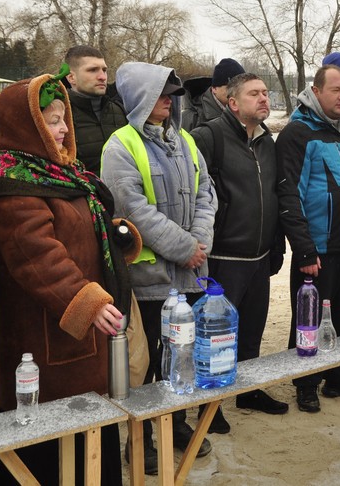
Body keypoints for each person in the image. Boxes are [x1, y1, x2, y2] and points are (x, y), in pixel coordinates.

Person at [0, 72, 144, 485]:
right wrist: (86, 300)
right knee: (46, 443)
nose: (64, 129)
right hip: (43, 343)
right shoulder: (13, 186)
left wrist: (114, 234)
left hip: (83, 339)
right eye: (51, 121)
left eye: (63, 118)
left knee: (90, 430)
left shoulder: (61, 174)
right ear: (27, 127)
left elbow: (77, 232)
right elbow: (39, 259)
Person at [101, 62, 217, 474]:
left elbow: (206, 191)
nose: (170, 101)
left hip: (188, 274)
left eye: (172, 95)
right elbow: (132, 208)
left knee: (180, 353)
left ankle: (176, 422)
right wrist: (183, 246)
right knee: (145, 361)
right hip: (148, 280)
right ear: (140, 98)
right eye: (162, 94)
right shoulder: (120, 146)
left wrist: (198, 241)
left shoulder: (184, 139)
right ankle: (142, 438)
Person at [276, 64, 340, 413]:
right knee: (309, 316)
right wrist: (303, 247)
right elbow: (289, 193)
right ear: (316, 91)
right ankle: (305, 382)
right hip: (316, 247)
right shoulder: (299, 133)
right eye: (334, 90)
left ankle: (339, 376)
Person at [191, 72, 288, 417]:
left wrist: (276, 244)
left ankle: (248, 391)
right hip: (223, 257)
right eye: (254, 94)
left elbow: (274, 194)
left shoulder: (266, 141)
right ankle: (209, 407)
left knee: (251, 333)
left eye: (265, 93)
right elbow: (194, 194)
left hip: (259, 256)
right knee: (216, 335)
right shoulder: (207, 137)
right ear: (233, 103)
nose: (264, 99)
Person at [64, 45, 127, 176]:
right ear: (71, 78)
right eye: (92, 70)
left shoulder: (121, 112)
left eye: (104, 70)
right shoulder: (59, 116)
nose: (102, 77)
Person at [181, 57, 245, 132]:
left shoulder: (249, 113)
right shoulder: (189, 119)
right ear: (214, 88)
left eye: (241, 87)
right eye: (230, 87)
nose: (237, 91)